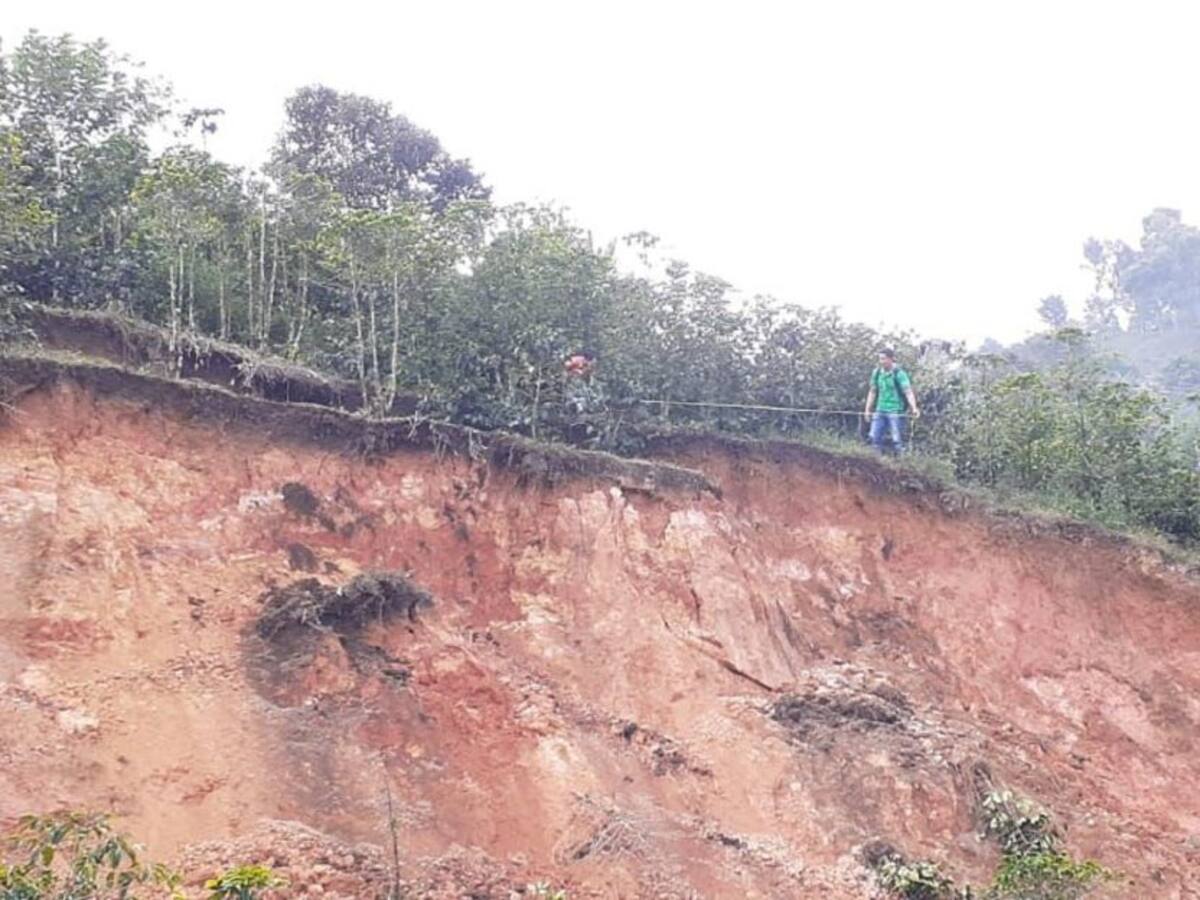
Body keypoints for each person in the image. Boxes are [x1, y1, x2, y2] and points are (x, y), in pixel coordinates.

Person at [863, 348, 920, 454]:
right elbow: (873, 391)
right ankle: (876, 462)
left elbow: (908, 392)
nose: (881, 361)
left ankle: (901, 463)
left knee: (896, 440)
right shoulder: (877, 373)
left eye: (884, 359)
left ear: (891, 359)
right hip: (880, 409)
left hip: (895, 410)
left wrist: (914, 407)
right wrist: (867, 409)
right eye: (880, 359)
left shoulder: (899, 373)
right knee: (874, 437)